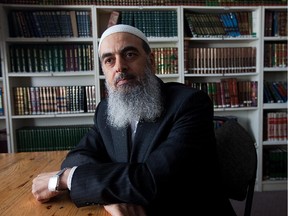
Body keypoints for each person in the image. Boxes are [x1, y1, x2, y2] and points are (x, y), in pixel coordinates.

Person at [32, 24, 236, 216]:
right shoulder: (105, 110)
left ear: (151, 61)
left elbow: (152, 180)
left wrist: (66, 178)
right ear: (104, 70)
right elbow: (78, 156)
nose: (119, 67)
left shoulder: (190, 104)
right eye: (109, 60)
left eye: (129, 54)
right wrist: (107, 198)